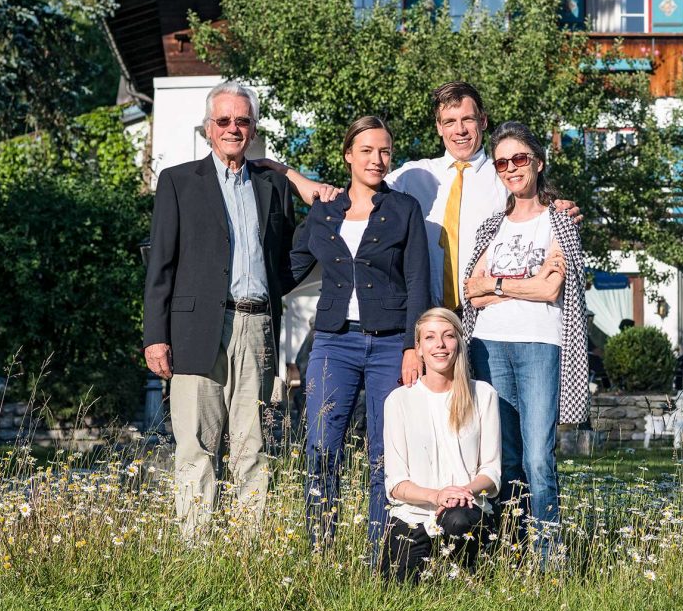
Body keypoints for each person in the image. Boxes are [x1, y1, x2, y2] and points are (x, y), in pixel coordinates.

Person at [143, 81, 304, 538]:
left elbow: (286, 258)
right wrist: (155, 334)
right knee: (196, 443)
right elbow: (161, 263)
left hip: (257, 327)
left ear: (253, 129)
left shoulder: (272, 185)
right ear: (208, 129)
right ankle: (196, 550)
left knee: (253, 445)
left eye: (242, 121)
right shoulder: (177, 181)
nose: (233, 128)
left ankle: (247, 552)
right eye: (224, 121)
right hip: (194, 329)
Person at [276, 81, 578, 309]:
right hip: (430, 319)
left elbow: (536, 206)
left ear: (483, 121)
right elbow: (354, 196)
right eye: (449, 122)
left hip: (489, 311)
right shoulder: (415, 176)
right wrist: (286, 173)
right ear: (438, 127)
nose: (459, 130)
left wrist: (558, 205)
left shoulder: (504, 174)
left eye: (467, 120)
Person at [289, 116, 431, 551]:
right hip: (333, 341)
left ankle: (379, 553)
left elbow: (418, 282)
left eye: (385, 150)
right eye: (367, 150)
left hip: (390, 343)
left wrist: (412, 347)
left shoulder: (404, 209)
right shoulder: (324, 210)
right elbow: (289, 267)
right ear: (348, 155)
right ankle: (322, 550)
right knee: (321, 445)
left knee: (384, 453)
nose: (377, 159)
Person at [462, 121, 588, 563]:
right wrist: (519, 283)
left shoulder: (559, 220)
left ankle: (548, 556)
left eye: (519, 159)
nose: (511, 168)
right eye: (501, 162)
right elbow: (468, 291)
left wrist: (495, 284)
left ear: (537, 161)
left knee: (538, 457)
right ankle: (510, 551)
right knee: (506, 458)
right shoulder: (491, 226)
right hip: (489, 345)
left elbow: (551, 291)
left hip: (539, 345)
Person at [381, 308, 501, 582]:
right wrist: (437, 496)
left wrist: (460, 493)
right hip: (414, 512)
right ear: (419, 348)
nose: (440, 345)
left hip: (465, 510)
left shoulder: (483, 395)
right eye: (430, 337)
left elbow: (491, 471)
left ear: (459, 342)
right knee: (396, 587)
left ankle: (466, 573)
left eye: (448, 336)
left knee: (458, 521)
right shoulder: (399, 401)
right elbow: (397, 483)